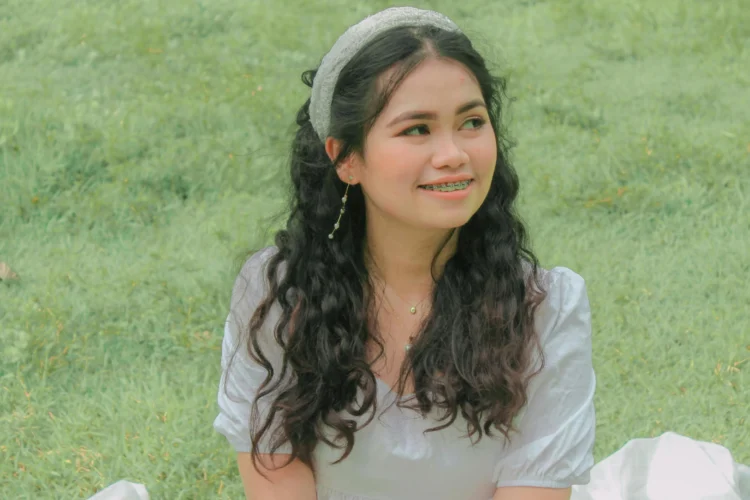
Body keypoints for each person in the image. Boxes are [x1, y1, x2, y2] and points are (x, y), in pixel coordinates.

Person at [213, 7, 596, 500]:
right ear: (345, 157)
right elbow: (276, 469)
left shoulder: (547, 306)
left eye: (472, 122)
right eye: (417, 129)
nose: (453, 154)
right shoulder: (278, 293)